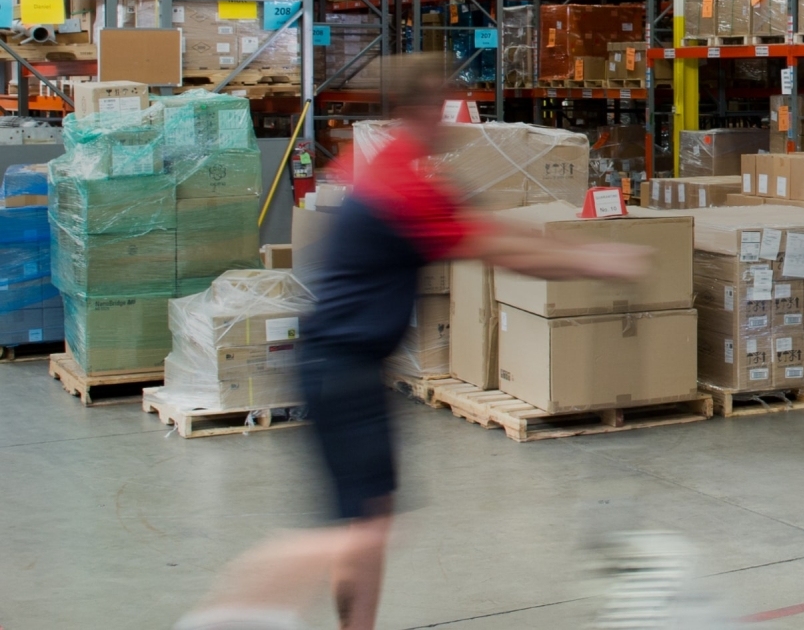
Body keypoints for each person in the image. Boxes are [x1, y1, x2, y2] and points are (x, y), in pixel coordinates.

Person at [175, 54, 651, 630]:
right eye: (440, 106)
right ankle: (226, 611)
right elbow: (505, 251)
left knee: (364, 525)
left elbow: (480, 227)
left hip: (345, 368)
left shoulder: (391, 170)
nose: (448, 120)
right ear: (417, 111)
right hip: (342, 370)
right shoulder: (400, 185)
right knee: (364, 528)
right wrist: (598, 260)